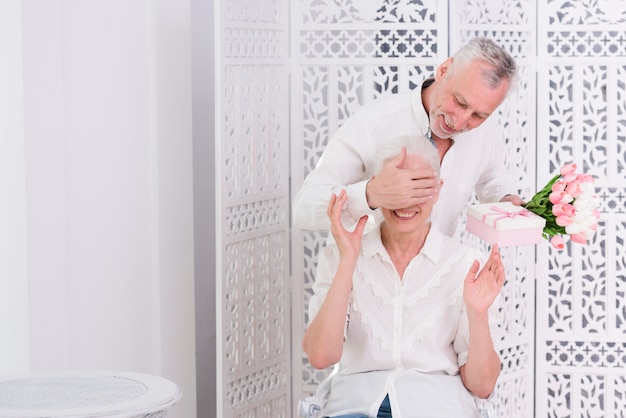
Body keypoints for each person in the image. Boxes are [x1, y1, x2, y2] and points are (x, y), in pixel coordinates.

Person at [302, 135, 505, 417]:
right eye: (396, 188)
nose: (405, 201)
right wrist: (348, 262)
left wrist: (477, 313)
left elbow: (482, 386)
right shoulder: (340, 255)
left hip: (436, 408)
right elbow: (321, 356)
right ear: (378, 186)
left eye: (419, 188)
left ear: (437, 190)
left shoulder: (466, 263)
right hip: (355, 407)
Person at [293, 36, 523, 237]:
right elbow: (304, 209)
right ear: (443, 70)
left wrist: (506, 199)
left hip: (437, 279)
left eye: (479, 114)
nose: (461, 122)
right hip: (359, 280)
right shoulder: (372, 123)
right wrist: (370, 195)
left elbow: (492, 178)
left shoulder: (485, 130)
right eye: (459, 102)